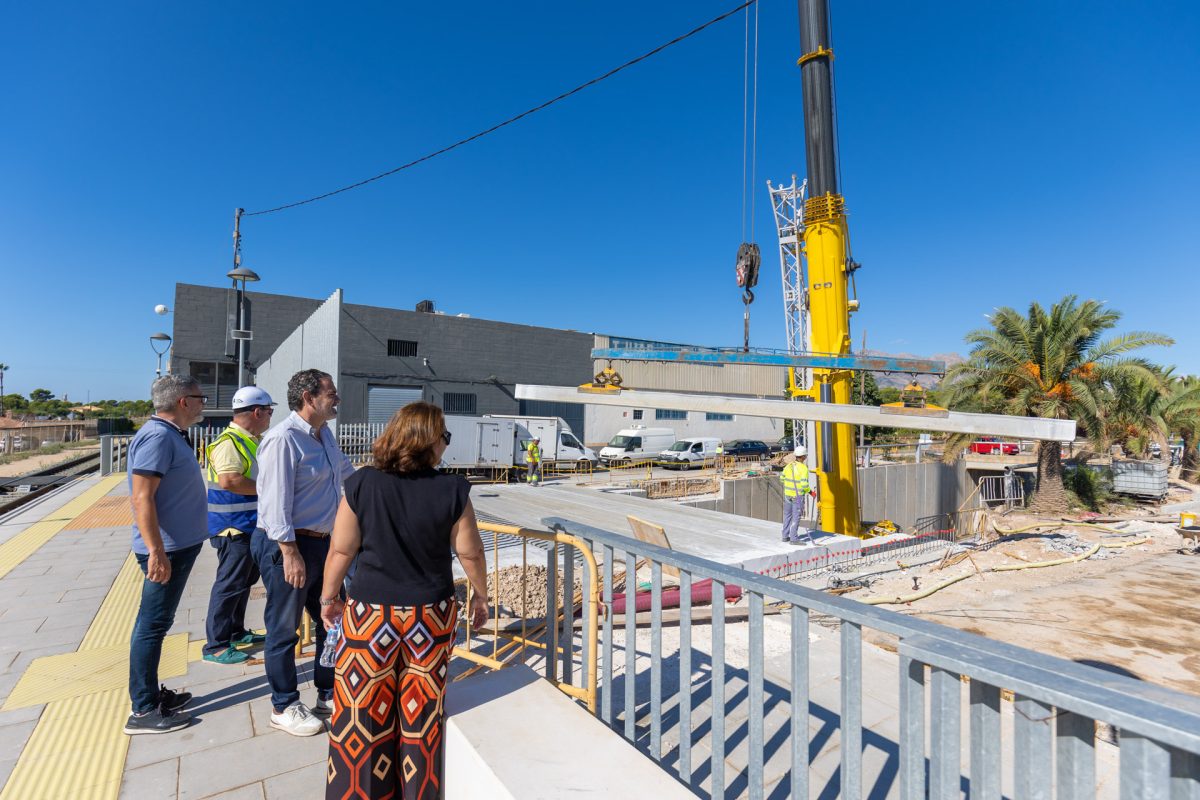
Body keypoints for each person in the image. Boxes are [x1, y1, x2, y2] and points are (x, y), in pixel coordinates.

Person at [320, 402, 489, 799]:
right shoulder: (452, 489)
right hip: (430, 616)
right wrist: (480, 597)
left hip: (369, 616)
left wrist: (329, 597)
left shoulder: (362, 484)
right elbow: (471, 553)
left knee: (362, 709)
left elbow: (341, 551)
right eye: (443, 437)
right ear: (428, 441)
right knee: (422, 713)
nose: (446, 445)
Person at [252, 369, 354, 736]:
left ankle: (328, 692)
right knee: (284, 628)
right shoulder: (283, 440)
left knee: (332, 620)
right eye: (331, 392)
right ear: (309, 398)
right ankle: (283, 705)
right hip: (289, 544)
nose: (337, 397)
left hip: (322, 544)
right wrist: (290, 552)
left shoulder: (324, 436)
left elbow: (348, 475)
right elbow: (274, 502)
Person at [123, 375, 209, 735]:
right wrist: (156, 551)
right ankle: (142, 710)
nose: (204, 402)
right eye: (199, 397)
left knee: (158, 623)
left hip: (177, 546)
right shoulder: (158, 437)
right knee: (152, 625)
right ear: (183, 401)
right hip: (166, 548)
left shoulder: (170, 435)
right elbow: (142, 497)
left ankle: (152, 694)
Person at [202, 386, 275, 665]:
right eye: (269, 412)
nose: (270, 417)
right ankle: (216, 645)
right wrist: (268, 489)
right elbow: (229, 480)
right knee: (229, 584)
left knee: (244, 582)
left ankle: (235, 632)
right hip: (233, 527)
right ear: (257, 412)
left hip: (248, 524)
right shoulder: (230, 442)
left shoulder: (250, 440)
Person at [780, 445, 816, 545]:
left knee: (787, 516)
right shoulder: (803, 468)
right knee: (796, 517)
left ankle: (785, 536)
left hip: (787, 495)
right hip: (797, 496)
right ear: (804, 457)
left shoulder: (789, 466)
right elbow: (804, 485)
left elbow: (782, 479)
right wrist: (811, 492)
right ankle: (794, 539)